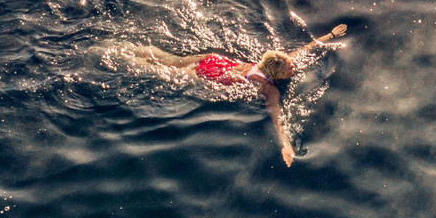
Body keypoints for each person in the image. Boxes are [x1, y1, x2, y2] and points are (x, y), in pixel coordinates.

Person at [126, 24, 348, 166]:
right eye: (289, 68)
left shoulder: (269, 63)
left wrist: (329, 35)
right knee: (167, 71)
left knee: (172, 60)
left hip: (214, 60)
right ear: (276, 73)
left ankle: (128, 48)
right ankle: (124, 59)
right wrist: (286, 145)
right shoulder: (269, 89)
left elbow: (302, 51)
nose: (293, 68)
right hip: (212, 75)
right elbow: (276, 118)